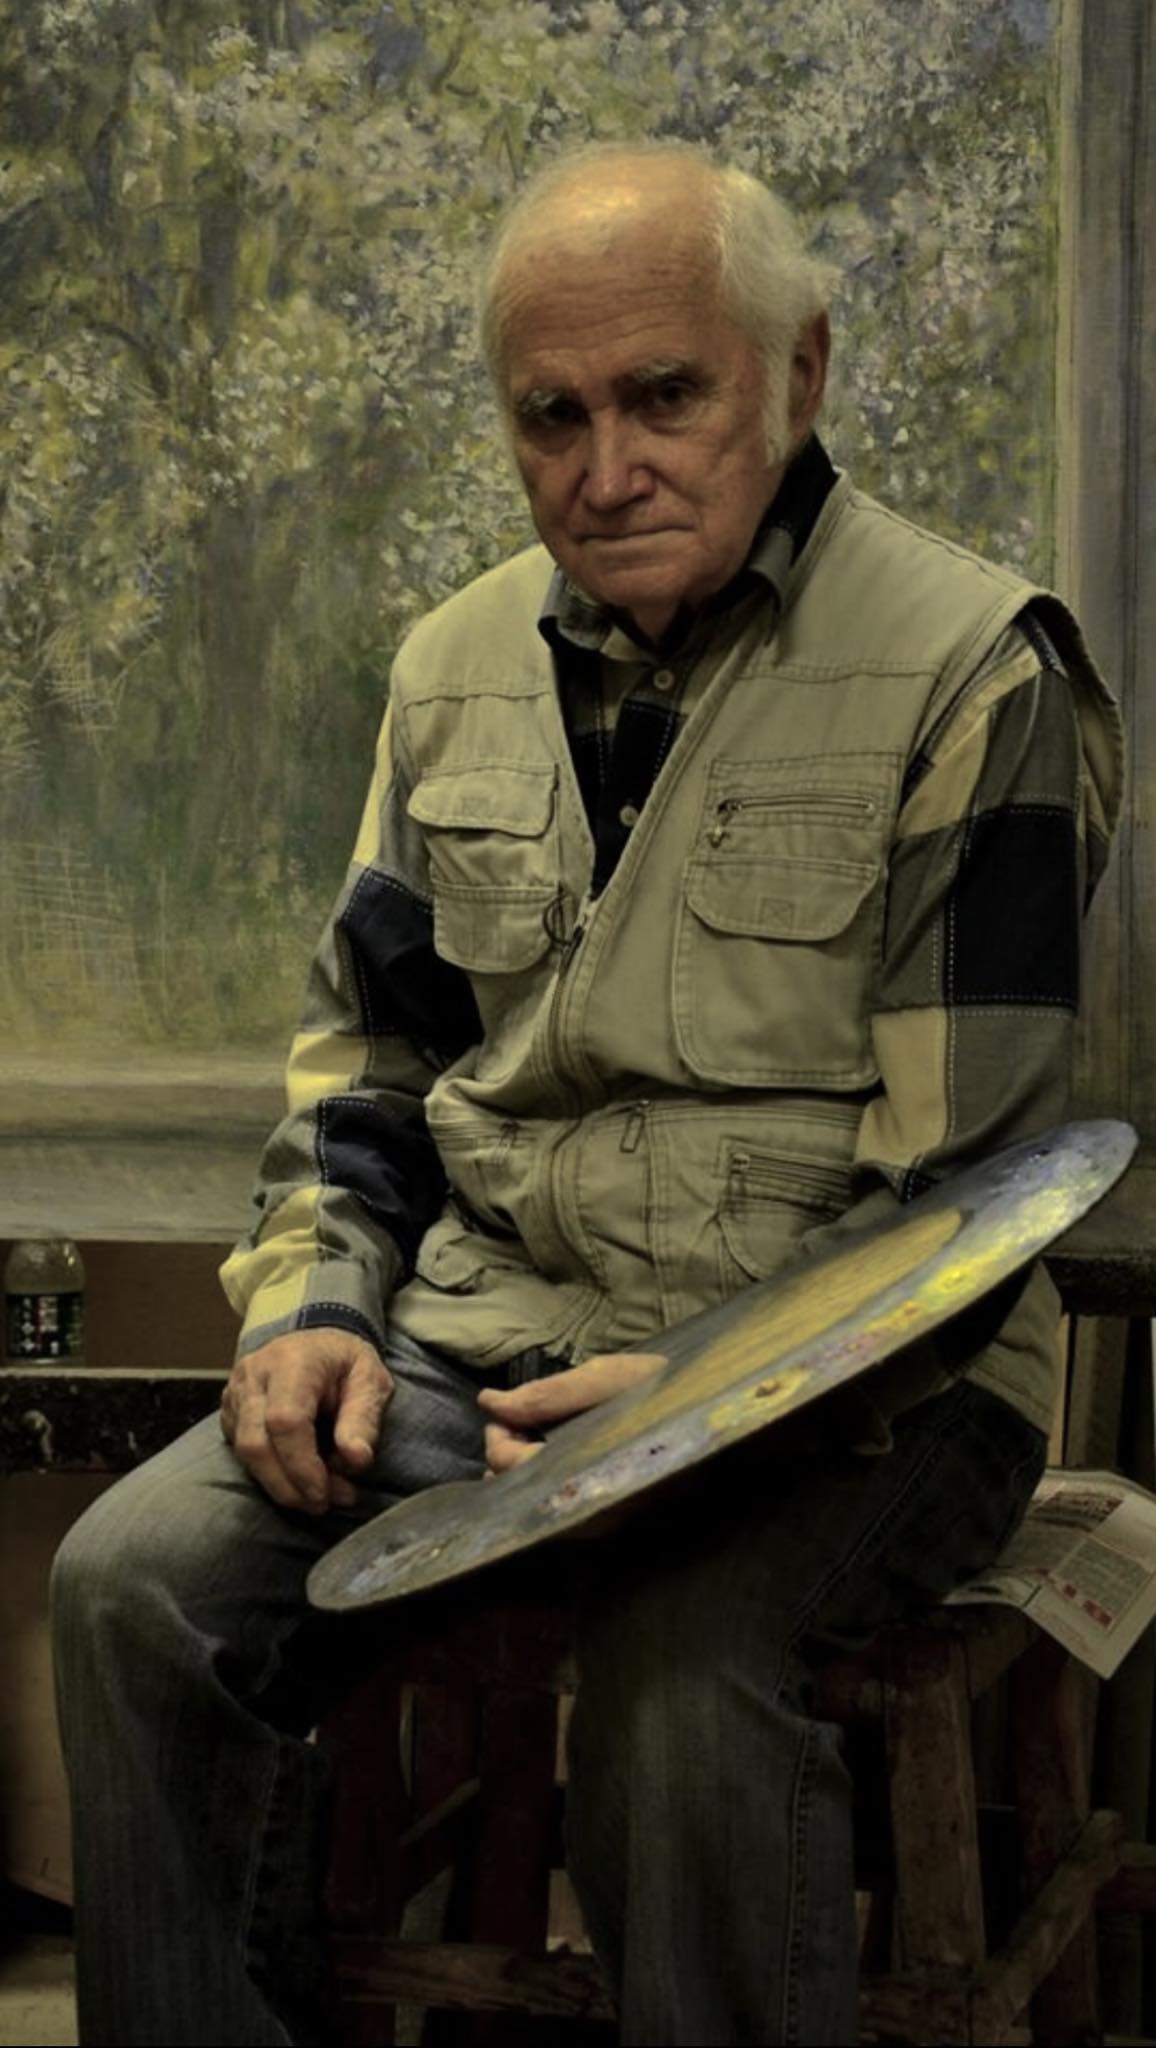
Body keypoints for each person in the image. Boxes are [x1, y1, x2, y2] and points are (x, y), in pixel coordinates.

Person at [52, 142, 1123, 2047]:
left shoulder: (980, 667)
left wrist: (701, 1410)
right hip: (490, 1360)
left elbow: (955, 1206)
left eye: (664, 396)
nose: (605, 467)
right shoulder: (449, 665)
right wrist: (310, 1313)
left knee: (682, 1687)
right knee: (133, 1587)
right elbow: (371, 1071)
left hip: (868, 1396)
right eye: (552, 415)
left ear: (798, 373)